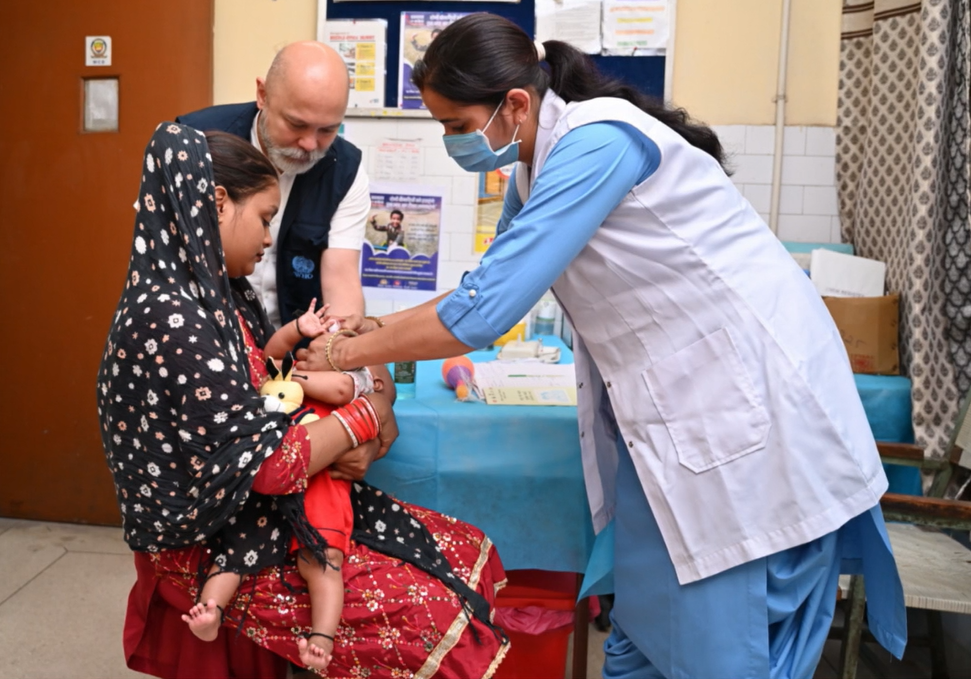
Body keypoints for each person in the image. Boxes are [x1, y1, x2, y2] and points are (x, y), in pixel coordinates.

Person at [297, 13, 908, 679]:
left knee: (721, 640)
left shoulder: (599, 143)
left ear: (516, 104)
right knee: (646, 625)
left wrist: (346, 354)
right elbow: (481, 287)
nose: (451, 143)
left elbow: (484, 311)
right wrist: (374, 334)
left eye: (456, 125)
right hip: (677, 416)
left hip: (749, 409)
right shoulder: (534, 171)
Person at [97, 123, 508, 678]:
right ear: (217, 203)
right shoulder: (174, 319)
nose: (269, 239)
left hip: (251, 511)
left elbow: (269, 386)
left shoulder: (214, 297)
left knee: (460, 548)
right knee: (432, 612)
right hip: (210, 539)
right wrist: (367, 412)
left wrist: (361, 392)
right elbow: (270, 465)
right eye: (265, 218)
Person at [177, 41, 369, 329]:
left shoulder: (345, 170)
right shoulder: (193, 143)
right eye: (296, 124)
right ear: (263, 95)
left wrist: (337, 343)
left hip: (298, 338)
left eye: (328, 130)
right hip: (201, 332)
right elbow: (163, 255)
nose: (309, 144)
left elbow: (341, 279)